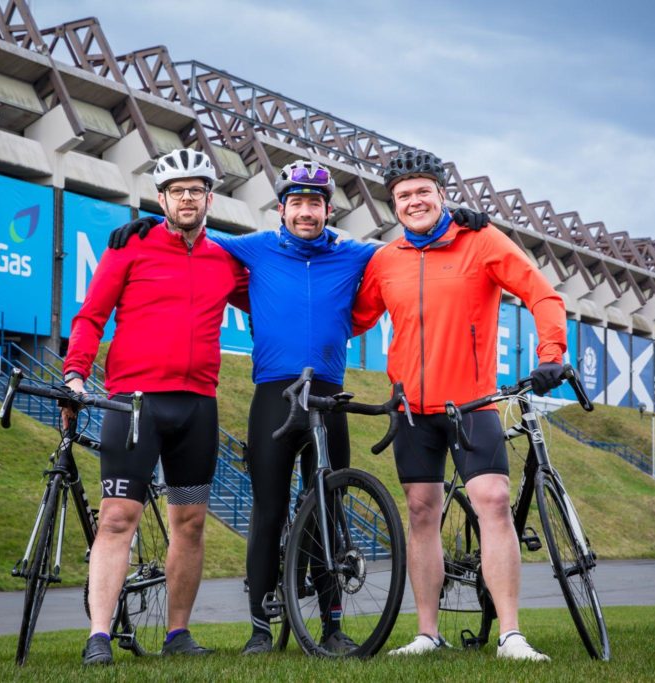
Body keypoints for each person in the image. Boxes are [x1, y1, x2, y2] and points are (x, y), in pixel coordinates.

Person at [108, 159, 490, 655]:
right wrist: (145, 226)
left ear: (328, 210)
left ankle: (331, 624)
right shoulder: (252, 248)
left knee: (328, 506)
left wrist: (457, 219)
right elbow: (191, 236)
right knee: (268, 508)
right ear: (281, 210)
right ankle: (260, 628)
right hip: (274, 395)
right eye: (296, 203)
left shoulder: (356, 256)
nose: (305, 212)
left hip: (329, 393)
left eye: (315, 203)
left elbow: (409, 247)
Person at [352, 149, 567, 661]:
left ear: (442, 195)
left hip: (472, 403)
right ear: (393, 205)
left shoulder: (482, 241)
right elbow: (355, 317)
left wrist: (551, 353)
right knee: (421, 512)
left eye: (423, 191)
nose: (414, 200)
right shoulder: (385, 260)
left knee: (492, 502)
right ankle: (428, 632)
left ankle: (511, 635)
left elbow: (542, 295)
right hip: (410, 410)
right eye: (403, 195)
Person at [62, 148, 249, 665]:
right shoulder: (130, 247)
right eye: (176, 191)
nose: (187, 198)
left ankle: (178, 634)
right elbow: (92, 314)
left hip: (197, 406)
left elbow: (274, 291)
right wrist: (76, 372)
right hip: (134, 403)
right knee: (119, 516)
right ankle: (99, 635)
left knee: (190, 521)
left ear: (210, 198)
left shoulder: (225, 261)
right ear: (161, 198)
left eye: (196, 190)